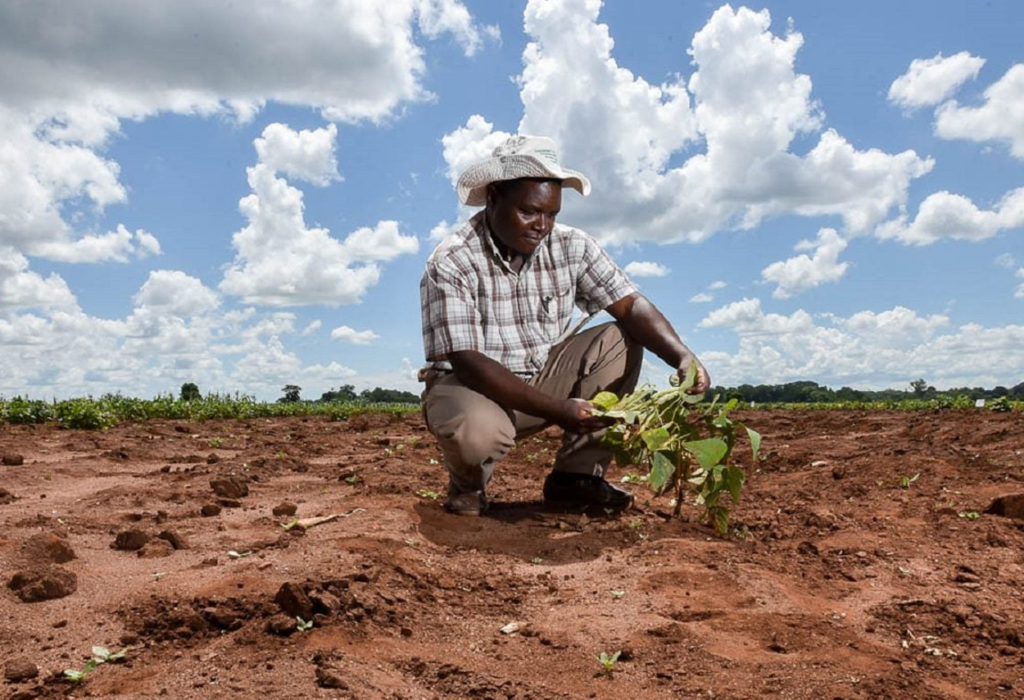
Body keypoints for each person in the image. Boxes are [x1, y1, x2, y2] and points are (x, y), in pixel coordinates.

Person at [419, 135, 709, 516]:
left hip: (541, 378)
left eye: (551, 214)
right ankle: (467, 488)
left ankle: (578, 479)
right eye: (528, 211)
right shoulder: (453, 261)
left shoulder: (572, 246)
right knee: (479, 435)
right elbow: (469, 361)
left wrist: (682, 356)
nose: (542, 225)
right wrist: (558, 410)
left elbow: (630, 304)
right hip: (471, 387)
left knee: (620, 337)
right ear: (493, 198)